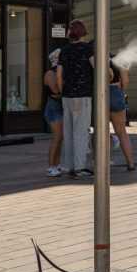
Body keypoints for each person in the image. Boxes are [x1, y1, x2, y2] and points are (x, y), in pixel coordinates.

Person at [56, 20, 95, 178]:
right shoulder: (88, 49)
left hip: (67, 96)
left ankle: (68, 166)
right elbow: (97, 67)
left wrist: (61, 92)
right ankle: (79, 168)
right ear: (82, 32)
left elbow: (59, 75)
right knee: (80, 132)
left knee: (69, 131)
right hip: (83, 95)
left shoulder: (63, 51)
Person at [109, 57, 135, 171]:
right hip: (116, 91)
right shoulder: (117, 59)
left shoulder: (94, 59)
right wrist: (121, 92)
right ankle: (130, 163)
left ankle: (103, 162)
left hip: (100, 93)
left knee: (101, 133)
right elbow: (125, 81)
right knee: (122, 133)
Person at [43, 49, 64, 177]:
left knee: (60, 138)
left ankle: (56, 164)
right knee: (57, 137)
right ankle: (51, 166)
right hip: (53, 108)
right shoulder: (50, 73)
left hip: (59, 107)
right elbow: (56, 91)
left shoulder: (59, 72)